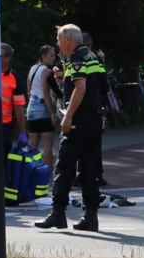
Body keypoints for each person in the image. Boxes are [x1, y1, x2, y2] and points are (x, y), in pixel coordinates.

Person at [36, 24, 107, 231]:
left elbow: (80, 87)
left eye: (58, 40)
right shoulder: (94, 58)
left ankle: (58, 213)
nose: (58, 45)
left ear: (68, 39)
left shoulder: (76, 58)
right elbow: (103, 87)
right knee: (90, 169)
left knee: (65, 166)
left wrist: (69, 117)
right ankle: (91, 217)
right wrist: (62, 79)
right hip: (94, 120)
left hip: (78, 120)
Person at [24, 43, 59, 171]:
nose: (53, 58)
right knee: (47, 144)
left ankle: (28, 172)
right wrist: (52, 114)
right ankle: (47, 176)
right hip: (43, 107)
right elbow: (46, 93)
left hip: (32, 107)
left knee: (32, 143)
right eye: (51, 55)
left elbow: (29, 91)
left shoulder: (32, 69)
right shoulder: (46, 71)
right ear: (43, 56)